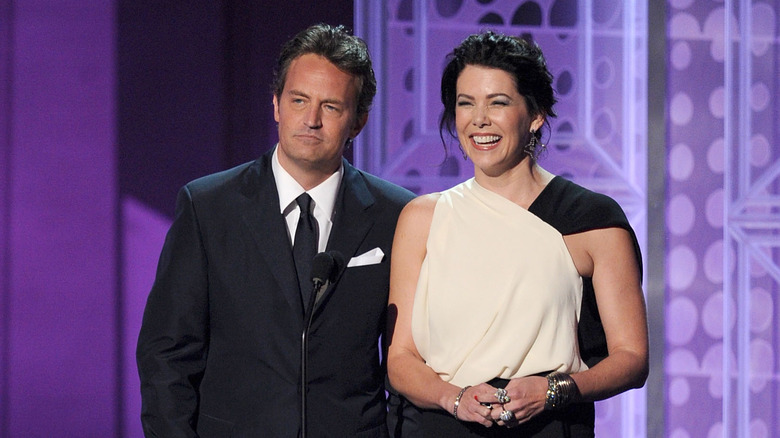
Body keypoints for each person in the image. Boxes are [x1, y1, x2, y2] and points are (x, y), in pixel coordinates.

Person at [137, 23, 415, 437]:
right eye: (298, 100)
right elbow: (167, 355)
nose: (311, 120)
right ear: (276, 105)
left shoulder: (398, 214)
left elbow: (409, 361)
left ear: (358, 122)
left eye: (331, 107)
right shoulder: (208, 207)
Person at [386, 31, 648, 437]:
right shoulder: (423, 218)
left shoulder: (590, 219)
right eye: (466, 103)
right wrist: (453, 398)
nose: (479, 119)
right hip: (441, 425)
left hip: (548, 424)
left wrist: (555, 390)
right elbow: (401, 359)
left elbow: (631, 357)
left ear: (536, 114)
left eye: (499, 103)